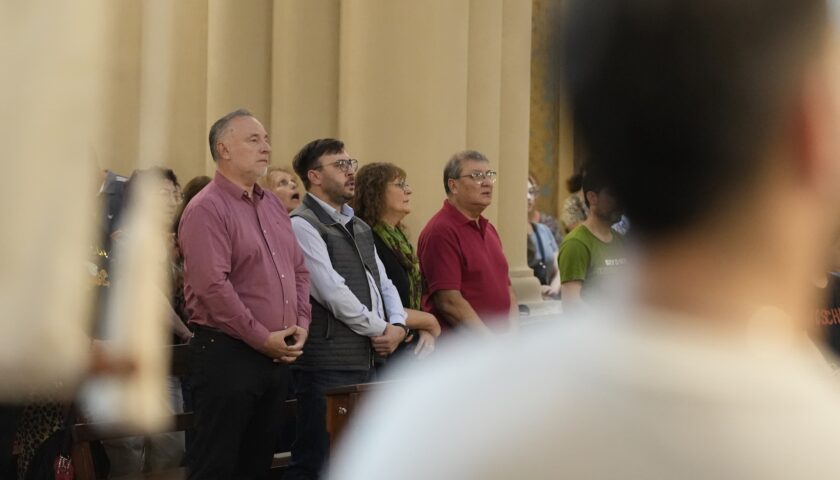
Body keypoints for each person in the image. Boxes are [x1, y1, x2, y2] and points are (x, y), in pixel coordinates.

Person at [329, 0, 840, 478]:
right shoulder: (815, 443)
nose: (487, 183)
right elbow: (450, 298)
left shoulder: (429, 422)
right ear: (809, 130)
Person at [179, 109, 310, 479]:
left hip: (275, 355)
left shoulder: (271, 204)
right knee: (217, 467)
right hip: (228, 355)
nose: (266, 147)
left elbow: (299, 270)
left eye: (266, 139)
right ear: (224, 149)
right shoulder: (207, 208)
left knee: (257, 466)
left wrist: (301, 324)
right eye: (254, 140)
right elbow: (211, 287)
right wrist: (261, 338)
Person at [287, 139, 408, 479]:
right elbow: (332, 292)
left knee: (358, 462)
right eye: (339, 165)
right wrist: (382, 329)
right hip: (327, 364)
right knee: (317, 460)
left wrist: (399, 325)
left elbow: (383, 282)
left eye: (350, 163)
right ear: (314, 176)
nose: (350, 171)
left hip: (366, 359)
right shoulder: (302, 224)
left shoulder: (360, 226)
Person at [417, 150, 517, 336]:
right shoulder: (441, 231)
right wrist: (493, 344)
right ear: (453, 185)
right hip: (466, 348)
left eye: (489, 175)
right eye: (477, 176)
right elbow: (449, 302)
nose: (487, 183)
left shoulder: (489, 228)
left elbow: (508, 288)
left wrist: (512, 336)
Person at [351, 162, 441, 360]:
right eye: (400, 185)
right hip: (382, 350)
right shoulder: (367, 238)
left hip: (407, 344)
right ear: (375, 192)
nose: (408, 190)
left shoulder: (398, 239)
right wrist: (429, 322)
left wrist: (423, 327)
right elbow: (376, 302)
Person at [557, 167, 626, 309]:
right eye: (613, 194)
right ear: (592, 198)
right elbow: (572, 306)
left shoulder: (622, 241)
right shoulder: (576, 244)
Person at [527, 176, 560, 298]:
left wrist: (554, 288)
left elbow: (559, 269)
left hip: (551, 298)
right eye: (523, 192)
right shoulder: (510, 233)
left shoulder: (544, 230)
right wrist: (536, 289)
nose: (529, 197)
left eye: (531, 192)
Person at [527, 174, 563, 245]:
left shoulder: (550, 224)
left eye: (531, 192)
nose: (528, 197)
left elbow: (560, 250)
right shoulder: (513, 224)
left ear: (537, 195)